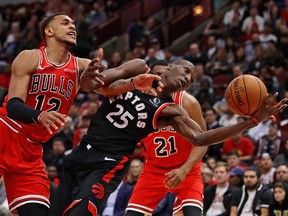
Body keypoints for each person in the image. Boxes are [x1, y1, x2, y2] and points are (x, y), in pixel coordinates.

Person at [50, 59, 287, 216]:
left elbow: (202, 139)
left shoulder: (172, 110)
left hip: (117, 162)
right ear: (170, 65)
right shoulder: (139, 69)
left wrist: (254, 121)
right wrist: (93, 76)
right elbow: (93, 85)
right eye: (186, 71)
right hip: (131, 163)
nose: (188, 79)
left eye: (192, 79)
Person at [0, 12, 163, 216]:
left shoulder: (81, 66)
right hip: (5, 133)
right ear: (48, 31)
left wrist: (132, 83)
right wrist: (40, 115)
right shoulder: (31, 57)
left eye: (74, 24)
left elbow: (106, 88)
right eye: (65, 22)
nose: (72, 26)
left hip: (30, 151)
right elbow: (14, 107)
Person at [126, 59, 207, 216]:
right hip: (153, 170)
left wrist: (185, 169)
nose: (160, 80)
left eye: (163, 75)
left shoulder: (187, 102)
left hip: (186, 169)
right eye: (156, 75)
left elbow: (203, 142)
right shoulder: (140, 98)